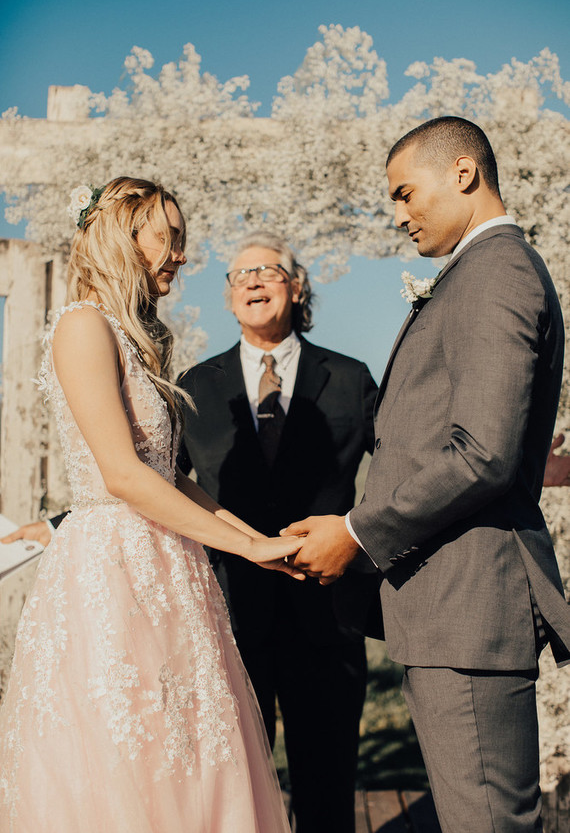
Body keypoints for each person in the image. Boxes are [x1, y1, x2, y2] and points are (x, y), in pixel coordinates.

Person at [282, 117, 570, 833]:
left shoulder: (495, 271)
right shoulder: (475, 274)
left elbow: (484, 452)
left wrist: (357, 530)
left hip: (467, 608)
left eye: (407, 193)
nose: (400, 215)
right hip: (449, 609)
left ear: (464, 173)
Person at [0, 178, 303, 833]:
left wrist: (259, 541)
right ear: (123, 236)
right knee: (128, 760)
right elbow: (122, 477)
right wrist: (246, 547)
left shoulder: (138, 337)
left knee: (191, 759)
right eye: (169, 238)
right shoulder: (82, 327)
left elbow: (167, 476)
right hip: (110, 578)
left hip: (169, 570)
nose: (181, 256)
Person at [176, 231, 377, 833]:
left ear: (297, 287)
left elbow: (400, 475)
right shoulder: (194, 384)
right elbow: (153, 477)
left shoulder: (350, 377)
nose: (254, 280)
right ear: (230, 297)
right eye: (240, 275)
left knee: (327, 789)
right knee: (235, 791)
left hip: (327, 616)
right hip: (230, 616)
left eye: (268, 270)